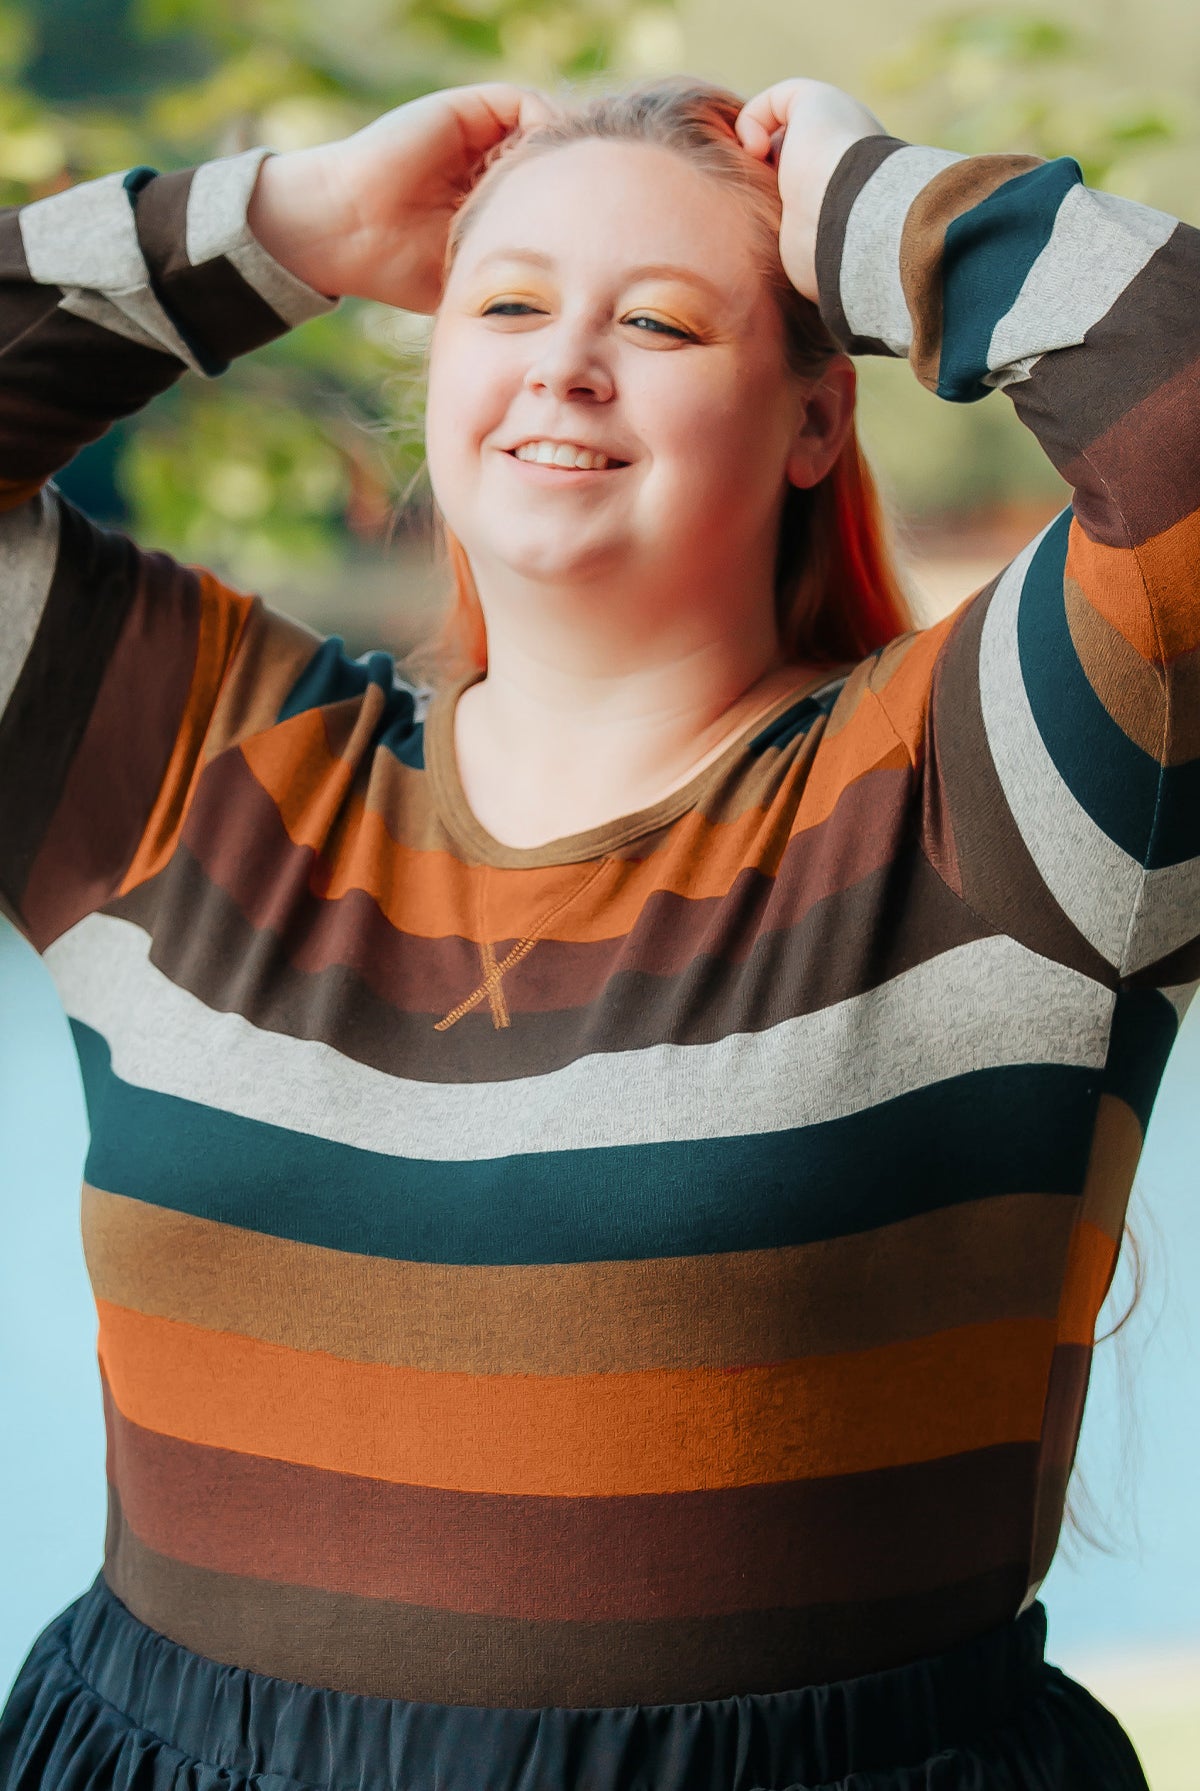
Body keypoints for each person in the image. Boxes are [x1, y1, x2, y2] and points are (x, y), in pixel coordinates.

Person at [0, 62, 1193, 1791]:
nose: (564, 362)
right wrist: (275, 226)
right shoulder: (200, 760)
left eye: (659, 321)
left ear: (815, 422)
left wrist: (881, 212)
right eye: (505, 305)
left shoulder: (994, 798)